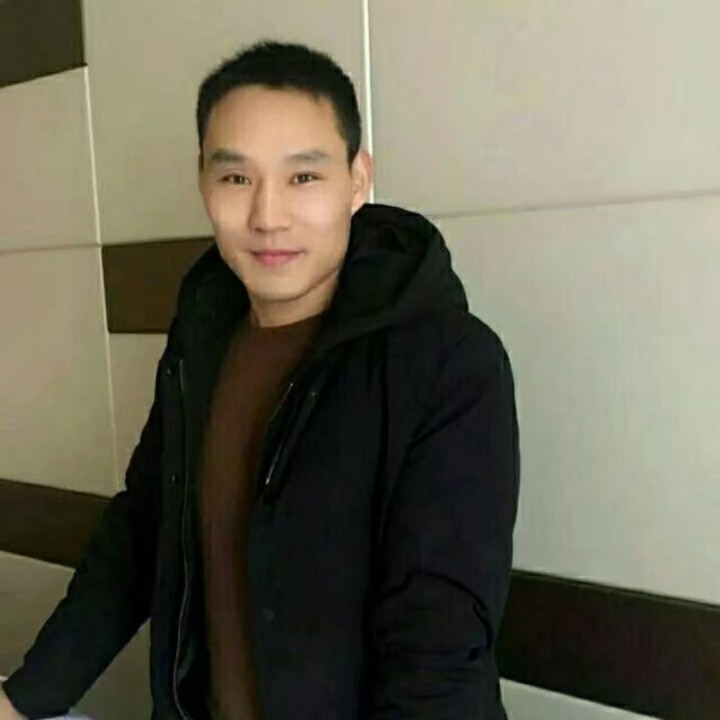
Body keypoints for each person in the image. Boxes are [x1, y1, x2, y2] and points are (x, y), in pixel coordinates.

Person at [0, 40, 520, 720]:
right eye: (236, 178)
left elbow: (437, 648)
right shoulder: (203, 338)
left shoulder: (448, 363)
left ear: (358, 179)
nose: (268, 216)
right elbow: (142, 533)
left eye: (303, 176)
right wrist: (22, 700)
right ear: (203, 183)